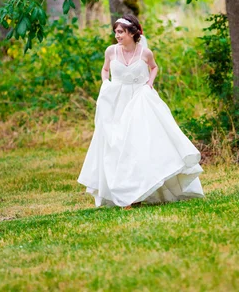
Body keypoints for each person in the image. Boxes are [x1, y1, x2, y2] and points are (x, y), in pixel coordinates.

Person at [78, 14, 204, 209]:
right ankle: (123, 193)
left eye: (120, 32)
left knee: (139, 144)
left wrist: (149, 84)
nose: (117, 35)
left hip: (140, 100)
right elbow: (105, 70)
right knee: (118, 145)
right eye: (116, 32)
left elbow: (154, 68)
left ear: (132, 33)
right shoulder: (110, 51)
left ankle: (139, 191)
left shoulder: (145, 53)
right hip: (117, 101)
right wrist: (106, 84)